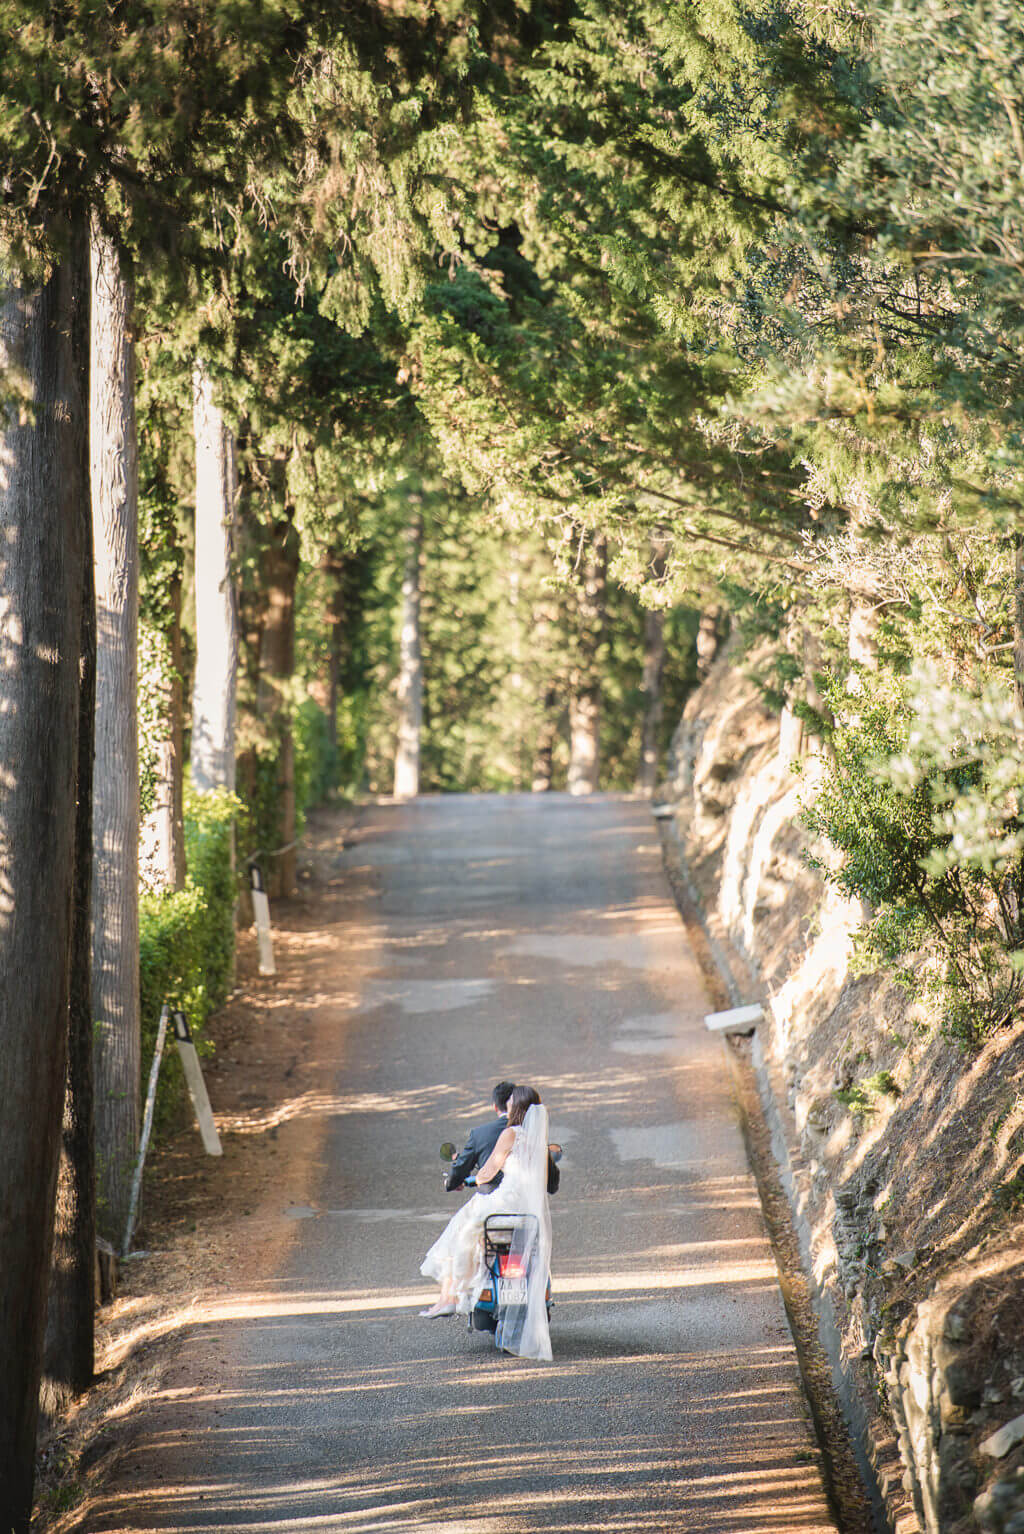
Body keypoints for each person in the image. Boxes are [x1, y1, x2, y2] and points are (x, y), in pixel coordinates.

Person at [419, 1086, 554, 1361]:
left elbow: (487, 1172)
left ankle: (452, 1294)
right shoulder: (538, 1140)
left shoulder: (510, 1134)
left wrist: (477, 1178)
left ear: (514, 1109)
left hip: (503, 1204)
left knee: (461, 1228)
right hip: (528, 1211)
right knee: (473, 1231)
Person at [445, 1080, 515, 1193]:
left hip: (492, 1201)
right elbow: (552, 1183)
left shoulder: (479, 1134)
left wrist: (451, 1183)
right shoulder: (531, 1132)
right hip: (526, 1202)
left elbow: (462, 1167)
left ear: (495, 1107)